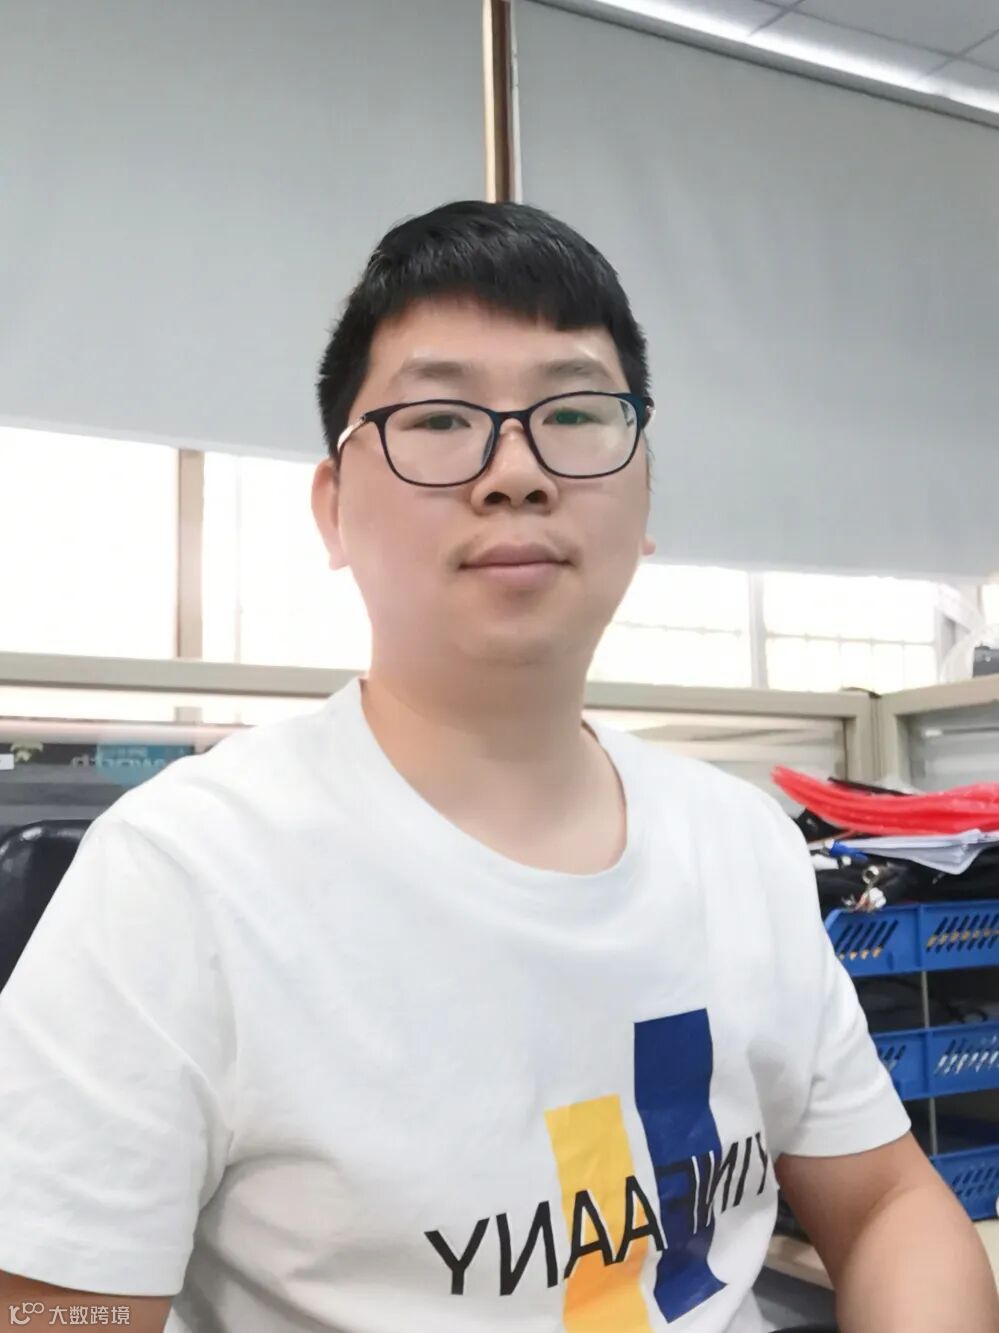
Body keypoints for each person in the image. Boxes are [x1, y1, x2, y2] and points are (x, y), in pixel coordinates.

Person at [0, 201, 995, 1333]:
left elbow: (887, 1202)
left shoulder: (742, 843)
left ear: (645, 495)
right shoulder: (181, 879)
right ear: (333, 510)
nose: (514, 471)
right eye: (437, 419)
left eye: (574, 414)